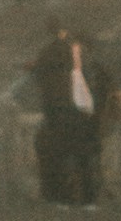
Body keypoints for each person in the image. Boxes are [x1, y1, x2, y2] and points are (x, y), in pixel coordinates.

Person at [28, 27, 109, 207]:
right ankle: (68, 198)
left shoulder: (87, 68)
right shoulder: (67, 67)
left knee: (78, 157)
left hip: (78, 117)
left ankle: (81, 198)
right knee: (70, 156)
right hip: (69, 116)